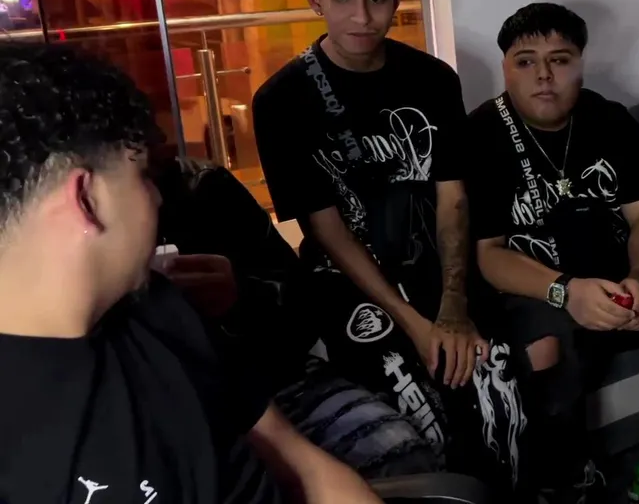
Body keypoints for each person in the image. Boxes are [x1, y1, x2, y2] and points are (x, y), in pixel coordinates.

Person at [0, 43, 379, 503]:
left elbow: (303, 465)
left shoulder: (160, 311)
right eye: (142, 176)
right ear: (86, 201)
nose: (158, 198)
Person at [253, 0, 524, 490]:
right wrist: (414, 324)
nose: (361, 17)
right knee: (418, 405)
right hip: (347, 280)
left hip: (435, 268)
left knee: (497, 389)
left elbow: (452, 197)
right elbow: (325, 228)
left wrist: (453, 304)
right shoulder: (282, 100)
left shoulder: (432, 79)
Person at [467, 3, 639, 503]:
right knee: (547, 341)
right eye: (526, 61)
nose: (544, 75)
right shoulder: (481, 135)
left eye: (559, 60)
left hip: (615, 272)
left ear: (580, 64)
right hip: (536, 285)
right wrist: (566, 292)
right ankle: (566, 477)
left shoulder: (608, 119)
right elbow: (489, 255)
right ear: (506, 68)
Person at [153, 156, 442, 480]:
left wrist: (239, 299)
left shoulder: (204, 186)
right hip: (174, 419)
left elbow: (299, 309)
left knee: (399, 454)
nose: (152, 197)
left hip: (272, 382)